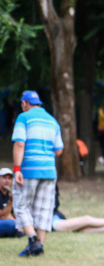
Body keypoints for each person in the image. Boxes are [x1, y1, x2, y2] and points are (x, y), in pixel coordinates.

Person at [12, 90, 64, 257]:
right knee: (44, 208)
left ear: (25, 103)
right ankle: (39, 246)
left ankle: (33, 240)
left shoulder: (23, 118)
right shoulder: (52, 121)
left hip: (29, 169)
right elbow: (59, 150)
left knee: (21, 205)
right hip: (49, 171)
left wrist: (17, 169)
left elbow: (19, 144)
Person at [0, 167, 22, 237]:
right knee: (11, 223)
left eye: (9, 178)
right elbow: (2, 216)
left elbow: (15, 214)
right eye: (4, 178)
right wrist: (11, 200)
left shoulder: (8, 194)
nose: (7, 181)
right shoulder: (10, 197)